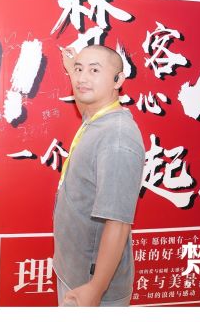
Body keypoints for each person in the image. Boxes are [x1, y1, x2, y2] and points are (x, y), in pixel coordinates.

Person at [54, 42, 145, 306]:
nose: (82, 78)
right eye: (79, 69)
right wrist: (71, 68)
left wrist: (96, 288)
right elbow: (85, 102)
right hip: (75, 272)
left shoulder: (117, 138)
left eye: (94, 70)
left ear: (118, 80)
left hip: (93, 287)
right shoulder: (97, 118)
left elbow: (118, 222)